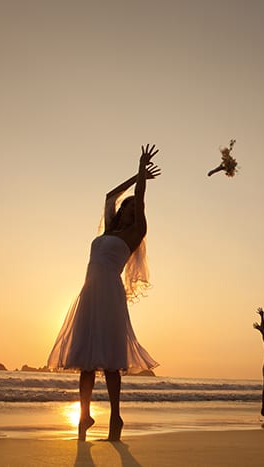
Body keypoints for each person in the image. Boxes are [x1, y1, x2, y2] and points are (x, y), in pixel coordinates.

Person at [47, 144, 161, 441]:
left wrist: (141, 176)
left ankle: (116, 417)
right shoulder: (109, 230)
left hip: (110, 294)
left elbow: (142, 204)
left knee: (110, 361)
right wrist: (133, 179)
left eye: (134, 209)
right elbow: (109, 196)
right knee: (86, 360)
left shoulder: (133, 234)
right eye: (128, 207)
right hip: (89, 293)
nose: (130, 210)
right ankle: (84, 416)